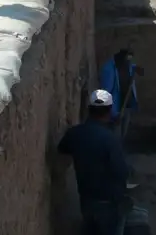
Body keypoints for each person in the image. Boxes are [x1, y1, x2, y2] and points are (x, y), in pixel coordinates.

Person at [58, 89, 130, 235]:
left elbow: (62, 148)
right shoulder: (110, 139)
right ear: (109, 111)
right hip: (109, 202)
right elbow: (121, 171)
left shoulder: (75, 133)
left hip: (86, 199)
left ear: (89, 109)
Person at [99, 48, 144, 141]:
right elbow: (105, 95)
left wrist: (137, 68)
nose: (129, 61)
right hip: (115, 110)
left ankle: (118, 150)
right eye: (127, 59)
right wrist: (112, 114)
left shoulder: (128, 66)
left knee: (123, 136)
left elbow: (132, 67)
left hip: (126, 106)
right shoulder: (108, 69)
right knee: (114, 137)